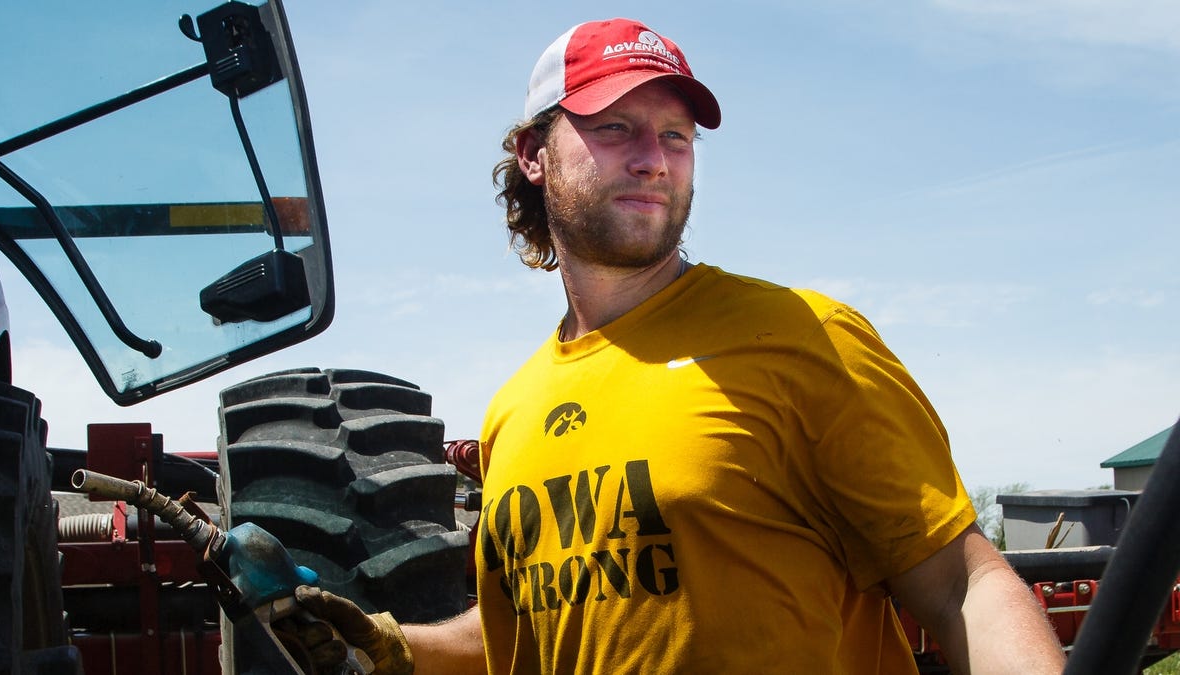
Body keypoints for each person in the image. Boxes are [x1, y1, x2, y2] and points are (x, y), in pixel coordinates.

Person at [298, 17, 1067, 674]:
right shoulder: (513, 413)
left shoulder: (804, 340)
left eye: (676, 135)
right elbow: (543, 628)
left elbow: (961, 584)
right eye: (613, 128)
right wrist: (398, 646)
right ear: (534, 154)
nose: (653, 158)